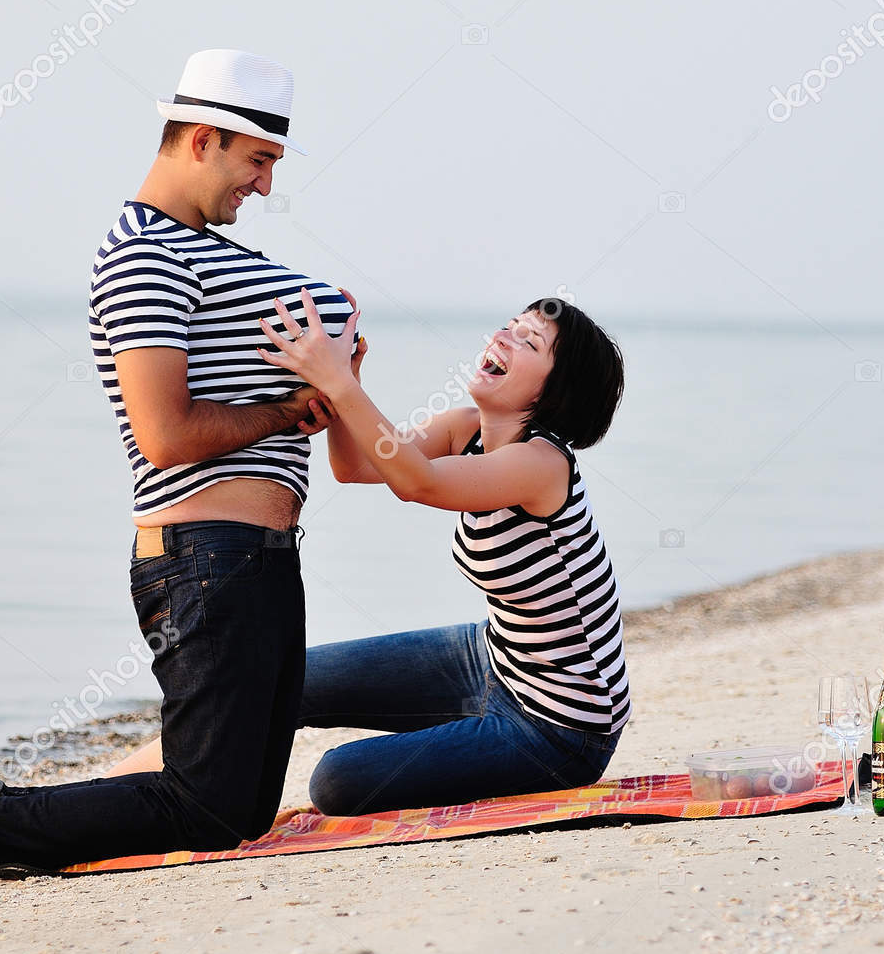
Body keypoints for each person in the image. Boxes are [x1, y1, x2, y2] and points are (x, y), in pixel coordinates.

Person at [0, 49, 353, 883]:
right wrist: (290, 408)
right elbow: (164, 435)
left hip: (261, 559)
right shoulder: (142, 255)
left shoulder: (199, 250)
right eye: (258, 161)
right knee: (206, 807)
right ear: (203, 140)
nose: (265, 185)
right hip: (207, 560)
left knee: (239, 810)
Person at [88, 289, 630, 816]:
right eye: (510, 326)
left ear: (557, 390)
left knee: (338, 780)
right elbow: (359, 466)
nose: (504, 337)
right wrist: (346, 377)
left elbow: (419, 483)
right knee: (277, 679)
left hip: (561, 724)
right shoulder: (466, 427)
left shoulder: (541, 463)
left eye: (529, 342)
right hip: (494, 659)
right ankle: (118, 793)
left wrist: (339, 382)